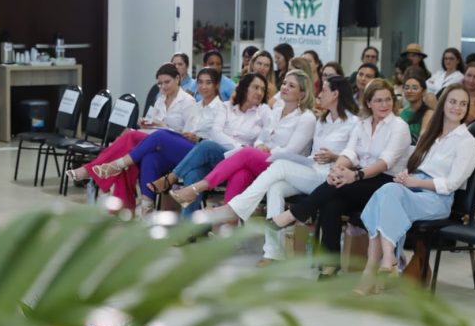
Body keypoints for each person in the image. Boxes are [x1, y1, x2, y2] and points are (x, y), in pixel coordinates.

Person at [198, 75, 358, 264]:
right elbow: (309, 153)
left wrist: (334, 156)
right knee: (275, 187)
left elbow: (355, 156)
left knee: (277, 165)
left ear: (335, 94)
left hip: (329, 177)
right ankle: (272, 253)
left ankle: (235, 208)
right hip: (310, 169)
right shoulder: (322, 120)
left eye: (323, 90)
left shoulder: (353, 122)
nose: (320, 94)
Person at [269, 79, 410, 279]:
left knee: (338, 186)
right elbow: (350, 153)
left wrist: (356, 175)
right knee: (331, 201)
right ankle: (331, 263)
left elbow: (385, 162)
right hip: (361, 181)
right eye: (378, 100)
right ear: (368, 103)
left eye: (388, 100)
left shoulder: (399, 127)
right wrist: (338, 169)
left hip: (387, 183)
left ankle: (296, 213)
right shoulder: (362, 124)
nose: (384, 105)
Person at [356, 83, 475, 294]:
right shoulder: (432, 135)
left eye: (463, 104)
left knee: (385, 193)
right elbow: (418, 167)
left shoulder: (468, 142)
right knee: (385, 192)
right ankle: (386, 261)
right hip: (415, 189)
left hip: (437, 200)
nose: (457, 107)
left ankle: (380, 266)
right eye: (453, 102)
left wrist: (417, 183)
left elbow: (451, 184)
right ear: (443, 104)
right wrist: (407, 176)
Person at [72, 67, 223, 217]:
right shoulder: (177, 102)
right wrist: (147, 124)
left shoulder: (195, 104)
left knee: (140, 137)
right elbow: (162, 126)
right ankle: (146, 212)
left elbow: (194, 136)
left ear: (178, 79)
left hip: (193, 150)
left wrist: (165, 128)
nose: (163, 86)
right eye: (160, 83)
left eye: (208, 83)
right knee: (148, 156)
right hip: (164, 145)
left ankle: (105, 167)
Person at [170, 69, 317, 209]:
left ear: (302, 93)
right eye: (284, 83)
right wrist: (260, 145)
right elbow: (262, 137)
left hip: (285, 166)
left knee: (244, 152)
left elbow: (290, 152)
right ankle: (228, 227)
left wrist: (267, 149)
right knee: (241, 174)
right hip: (265, 160)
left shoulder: (306, 117)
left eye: (291, 86)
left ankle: (195, 188)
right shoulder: (276, 111)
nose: (285, 87)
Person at [149, 72, 271, 216]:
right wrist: (239, 147)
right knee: (197, 166)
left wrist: (247, 150)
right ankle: (188, 230)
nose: (259, 92)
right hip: (220, 156)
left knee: (205, 150)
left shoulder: (263, 111)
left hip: (240, 163)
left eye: (262, 89)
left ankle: (171, 178)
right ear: (245, 88)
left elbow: (264, 138)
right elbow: (216, 133)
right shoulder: (226, 107)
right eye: (256, 87)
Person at [400, 69, 433, 141]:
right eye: (407, 87)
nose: (410, 91)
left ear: (423, 91)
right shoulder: (400, 112)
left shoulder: (428, 113)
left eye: (415, 88)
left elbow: (423, 138)